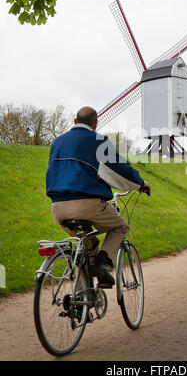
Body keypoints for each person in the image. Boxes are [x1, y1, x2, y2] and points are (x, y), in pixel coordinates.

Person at [46, 106, 151, 286]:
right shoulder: (97, 141)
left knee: (86, 247)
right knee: (120, 227)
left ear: (75, 121)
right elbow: (120, 168)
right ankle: (102, 263)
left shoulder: (58, 142)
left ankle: (80, 299)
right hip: (87, 205)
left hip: (58, 208)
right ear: (95, 123)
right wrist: (140, 184)